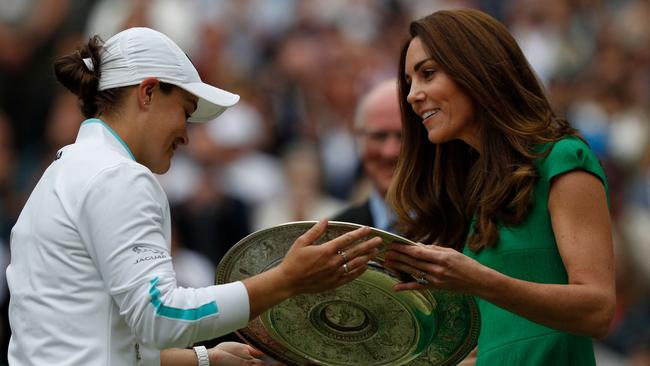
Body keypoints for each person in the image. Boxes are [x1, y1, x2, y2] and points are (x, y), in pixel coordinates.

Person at [6, 27, 382, 366]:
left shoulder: (62, 171)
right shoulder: (118, 177)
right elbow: (161, 316)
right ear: (148, 92)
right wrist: (286, 279)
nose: (186, 135)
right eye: (185, 113)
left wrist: (202, 360)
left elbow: (90, 339)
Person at [382, 9, 615, 365]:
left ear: (476, 69)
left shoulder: (564, 159)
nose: (413, 95)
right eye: (410, 82)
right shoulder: (477, 191)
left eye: (428, 74)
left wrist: (479, 280)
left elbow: (598, 310)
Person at [333, 78, 401, 232]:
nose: (389, 152)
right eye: (379, 136)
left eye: (403, 136)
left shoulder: (461, 229)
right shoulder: (332, 238)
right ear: (358, 139)